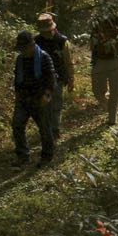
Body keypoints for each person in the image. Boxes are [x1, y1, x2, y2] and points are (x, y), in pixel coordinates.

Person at [13, 29, 57, 165]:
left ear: (32, 45)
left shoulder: (44, 57)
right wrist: (17, 95)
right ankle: (23, 156)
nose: (23, 51)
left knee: (44, 128)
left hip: (40, 98)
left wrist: (47, 95)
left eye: (25, 48)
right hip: (23, 99)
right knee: (17, 125)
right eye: (21, 48)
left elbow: (51, 78)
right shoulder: (20, 59)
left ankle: (47, 156)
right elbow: (17, 79)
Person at [34, 12, 74, 143]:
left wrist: (71, 79)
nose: (47, 33)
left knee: (56, 105)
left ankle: (55, 130)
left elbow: (68, 61)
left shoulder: (62, 41)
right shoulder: (36, 42)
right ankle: (46, 130)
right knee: (44, 106)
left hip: (58, 78)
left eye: (48, 30)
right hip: (41, 79)